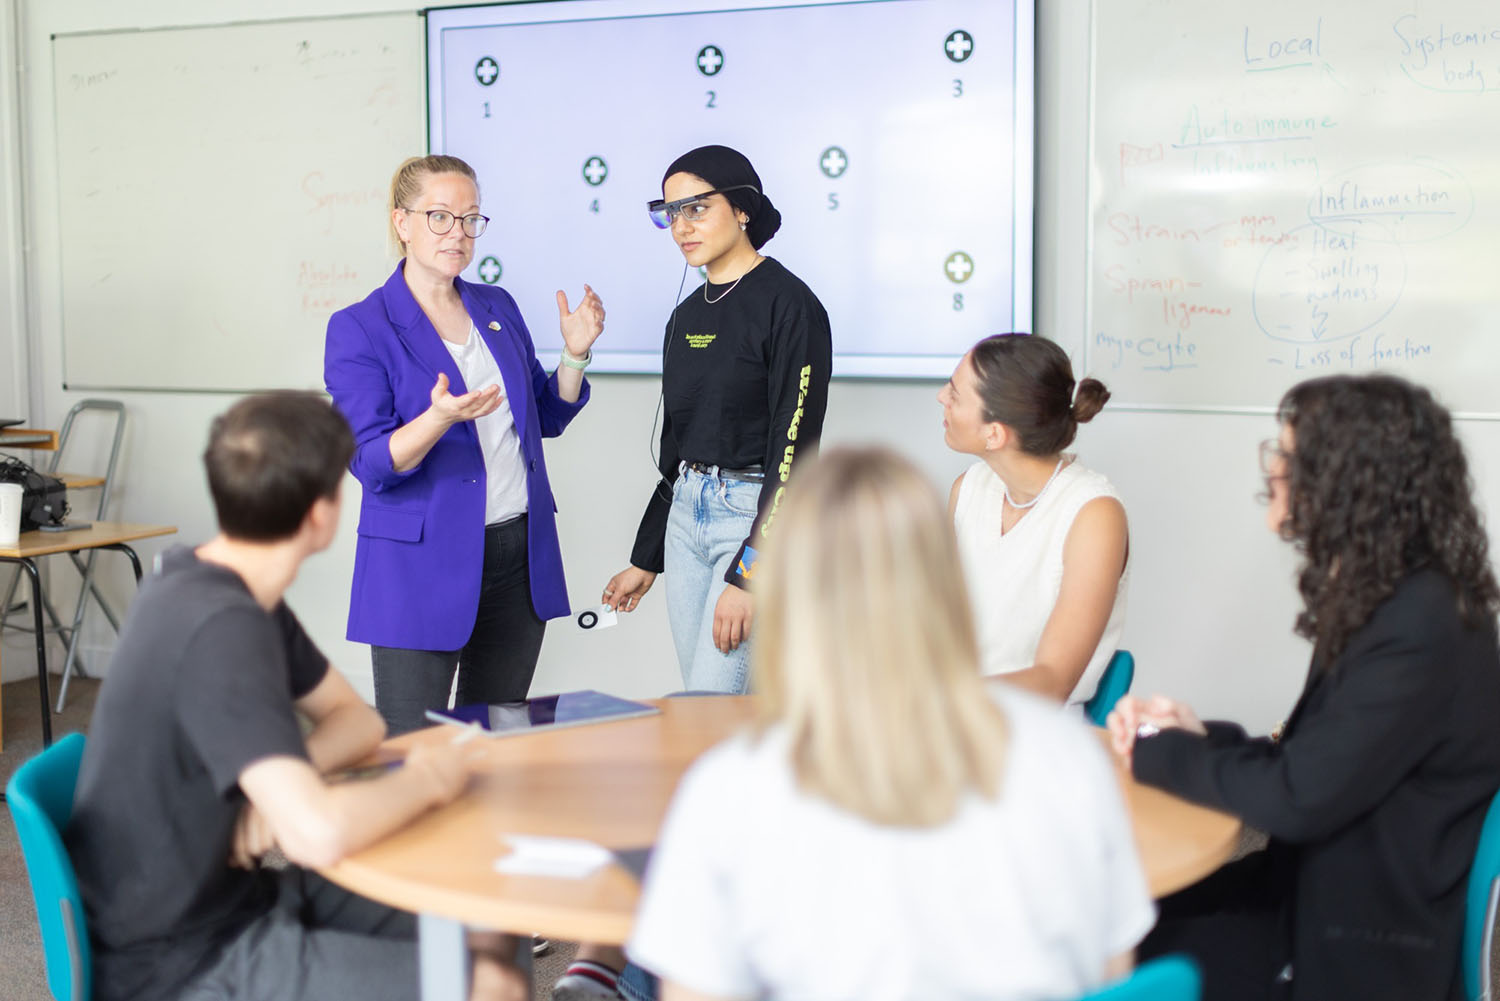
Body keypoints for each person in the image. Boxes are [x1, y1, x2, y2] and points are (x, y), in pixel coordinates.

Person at [622, 447, 1155, 1001]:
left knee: (649, 942)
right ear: (942, 579)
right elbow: (1111, 975)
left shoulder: (732, 788)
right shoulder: (1070, 762)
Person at [64, 393, 523, 1001]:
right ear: (321, 515)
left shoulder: (214, 581)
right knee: (492, 986)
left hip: (228, 901)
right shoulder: (221, 627)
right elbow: (316, 836)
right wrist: (430, 779)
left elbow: (355, 722)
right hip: (180, 959)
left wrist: (269, 803)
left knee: (486, 911)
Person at [1108, 374, 1500, 1001]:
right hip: (1321, 891)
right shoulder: (1395, 594)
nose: (1275, 474)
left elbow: (1298, 796)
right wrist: (1199, 737)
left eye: (1289, 460)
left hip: (1357, 944)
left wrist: (1155, 752)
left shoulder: (1420, 624)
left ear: (1349, 482)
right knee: (1122, 923)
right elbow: (1317, 760)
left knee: (1114, 948)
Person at [325, 154, 603, 735]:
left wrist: (574, 354)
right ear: (402, 222)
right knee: (415, 746)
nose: (459, 233)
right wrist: (437, 418)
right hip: (418, 565)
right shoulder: (359, 327)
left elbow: (544, 417)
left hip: (517, 555)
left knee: (496, 741)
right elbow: (372, 463)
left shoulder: (496, 307)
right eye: (440, 217)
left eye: (471, 219)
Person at [599, 144, 831, 694]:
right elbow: (678, 450)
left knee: (713, 707)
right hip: (685, 520)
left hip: (753, 517)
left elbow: (794, 451)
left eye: (697, 208)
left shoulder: (790, 306)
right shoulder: (683, 318)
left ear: (743, 208)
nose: (681, 226)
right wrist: (645, 556)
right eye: (671, 212)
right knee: (704, 706)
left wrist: (752, 574)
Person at [939, 332, 1128, 706]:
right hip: (954, 722)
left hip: (1037, 732)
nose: (942, 398)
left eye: (954, 394)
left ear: (994, 434)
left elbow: (1053, 681)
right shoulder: (969, 489)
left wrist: (940, 699)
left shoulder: (1094, 514)